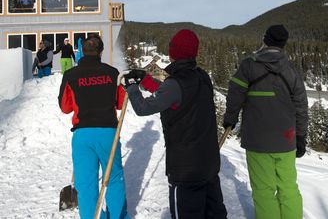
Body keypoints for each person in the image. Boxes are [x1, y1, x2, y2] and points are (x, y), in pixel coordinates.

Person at [123, 29, 227, 219]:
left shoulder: (175, 83)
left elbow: (143, 108)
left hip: (186, 171)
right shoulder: (203, 77)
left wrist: (131, 87)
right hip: (209, 165)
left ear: (174, 53)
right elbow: (172, 95)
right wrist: (145, 79)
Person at [223, 24, 309, 219]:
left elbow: (235, 93)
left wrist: (230, 118)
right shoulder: (292, 70)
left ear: (265, 39)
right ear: (283, 44)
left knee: (263, 190)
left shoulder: (248, 65)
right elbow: (301, 107)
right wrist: (301, 136)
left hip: (257, 140)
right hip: (286, 140)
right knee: (288, 188)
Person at [58, 36, 130, 219]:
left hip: (83, 135)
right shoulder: (113, 73)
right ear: (101, 51)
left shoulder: (71, 75)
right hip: (108, 134)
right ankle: (118, 216)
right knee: (113, 178)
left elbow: (65, 107)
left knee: (86, 183)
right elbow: (121, 103)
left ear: (82, 50)